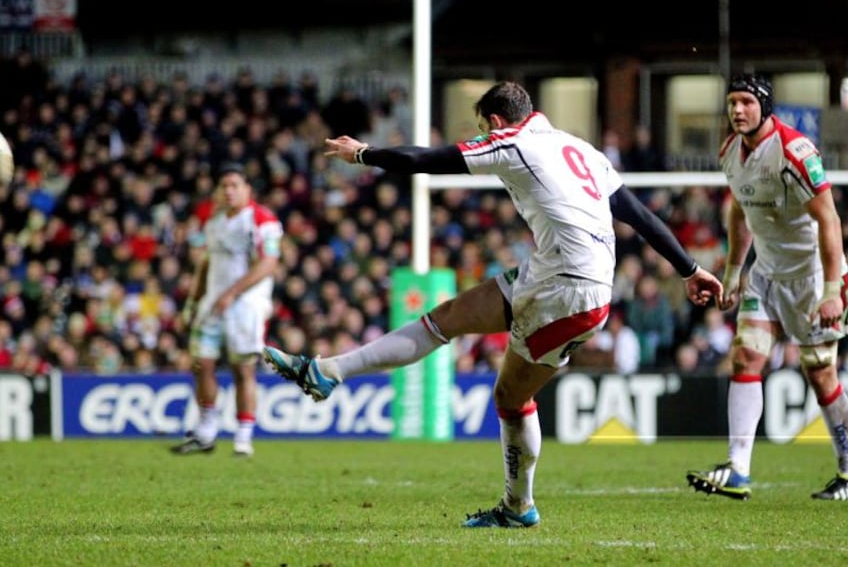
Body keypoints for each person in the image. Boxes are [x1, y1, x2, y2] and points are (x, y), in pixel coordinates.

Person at [262, 81, 723, 527]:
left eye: (484, 127)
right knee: (446, 319)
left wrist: (363, 153)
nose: (483, 136)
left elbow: (429, 159)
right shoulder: (580, 149)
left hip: (567, 289)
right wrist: (690, 269)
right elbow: (637, 214)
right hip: (555, 274)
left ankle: (518, 506)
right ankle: (327, 372)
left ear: (498, 120)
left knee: (510, 396)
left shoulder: (513, 142)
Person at [686, 74, 848, 501]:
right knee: (746, 356)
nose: (737, 110)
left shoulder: (795, 151)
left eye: (746, 102)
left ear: (764, 106)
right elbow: (738, 210)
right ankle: (738, 468)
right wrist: (733, 273)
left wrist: (828, 290)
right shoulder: (730, 149)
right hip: (766, 272)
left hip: (812, 276)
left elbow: (829, 219)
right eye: (732, 102)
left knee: (821, 374)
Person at [171, 163, 283, 457]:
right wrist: (193, 303)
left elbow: (268, 263)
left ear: (248, 189)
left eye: (235, 185)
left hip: (247, 306)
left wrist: (232, 293)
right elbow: (206, 263)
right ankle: (206, 431)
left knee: (242, 370)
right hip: (212, 303)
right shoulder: (214, 220)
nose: (229, 191)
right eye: (224, 186)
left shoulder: (263, 220)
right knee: (201, 364)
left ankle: (243, 438)